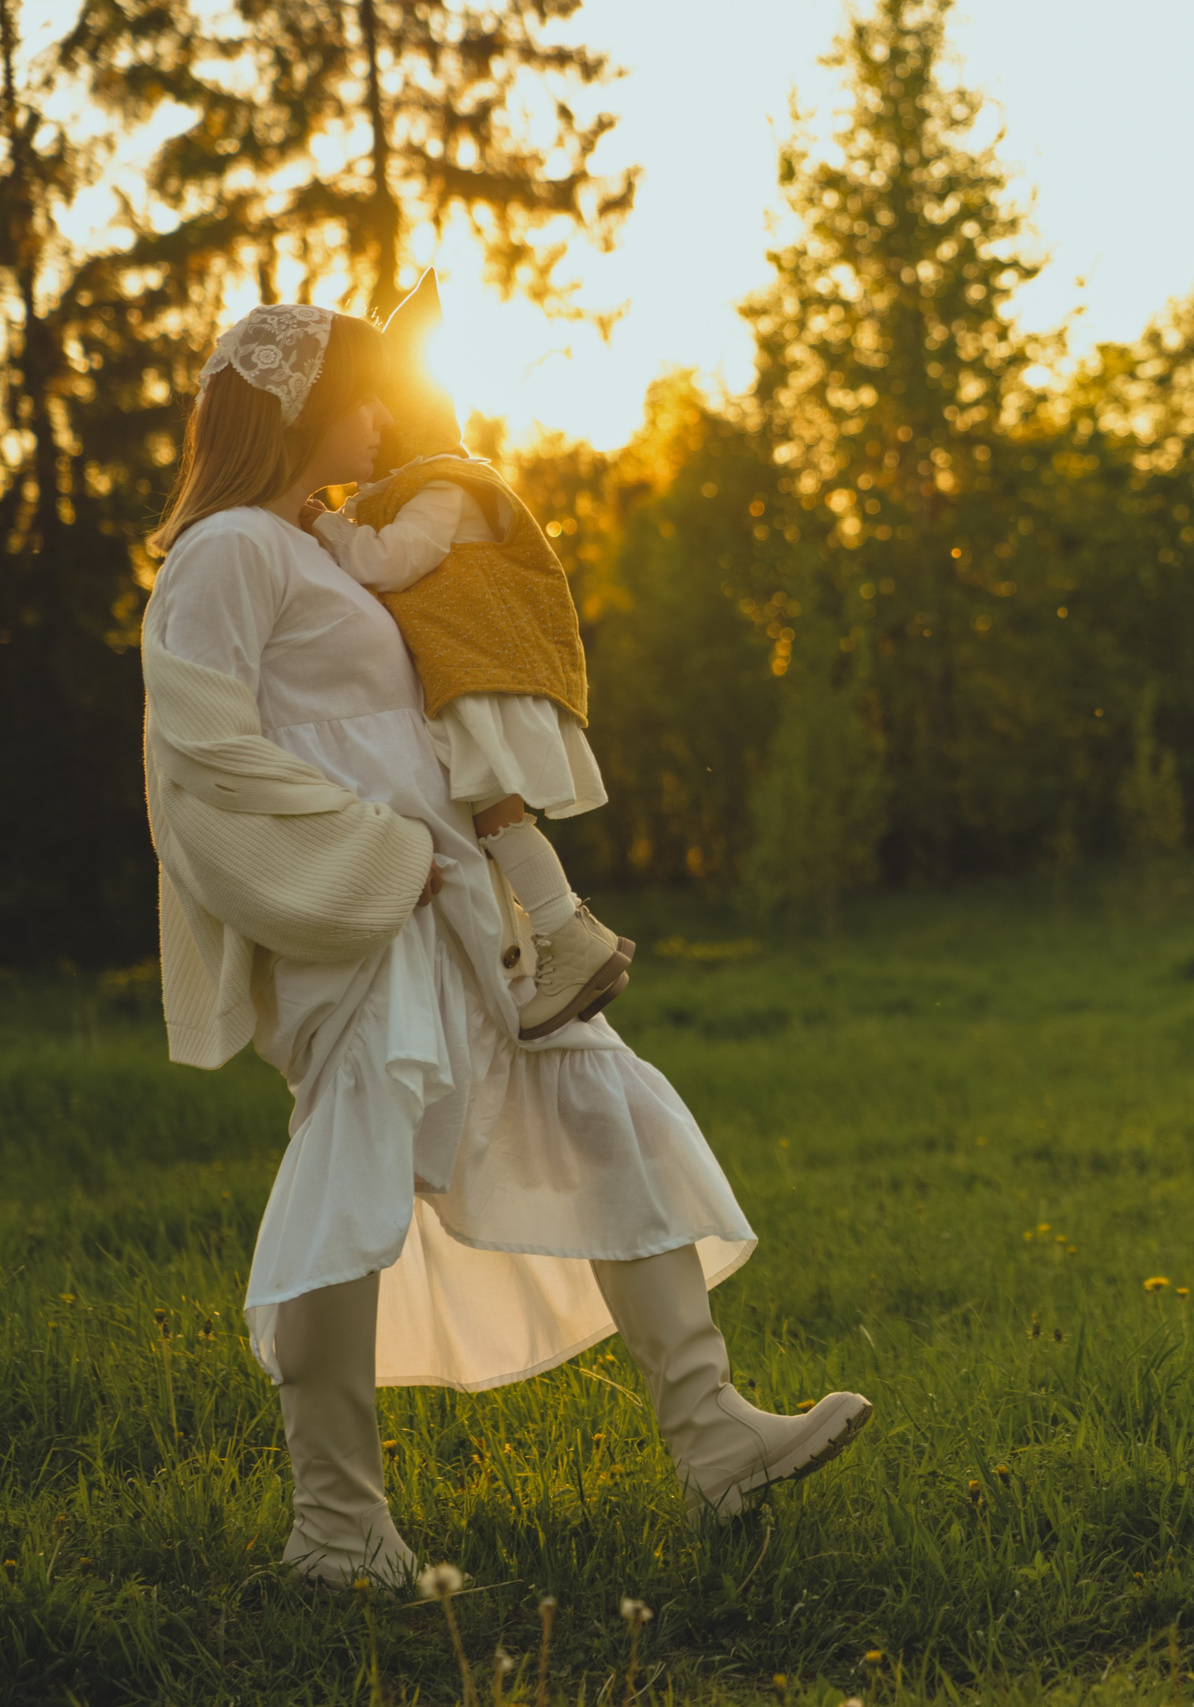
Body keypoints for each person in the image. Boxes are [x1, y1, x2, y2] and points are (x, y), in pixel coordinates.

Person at [140, 303, 869, 1589]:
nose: (380, 424)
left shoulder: (318, 539)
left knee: (603, 1110)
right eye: (363, 400)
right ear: (303, 407)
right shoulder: (229, 551)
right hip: (365, 909)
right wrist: (373, 845)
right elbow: (200, 738)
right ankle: (335, 1529)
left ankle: (715, 1441)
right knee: (356, 1164)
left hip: (455, 900)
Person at [308, 272, 630, 1040]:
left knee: (495, 820)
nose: (378, 426)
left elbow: (391, 560)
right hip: (473, 681)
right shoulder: (415, 487)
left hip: (484, 682)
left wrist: (328, 530)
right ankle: (548, 936)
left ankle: (566, 933)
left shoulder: (446, 487)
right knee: (489, 822)